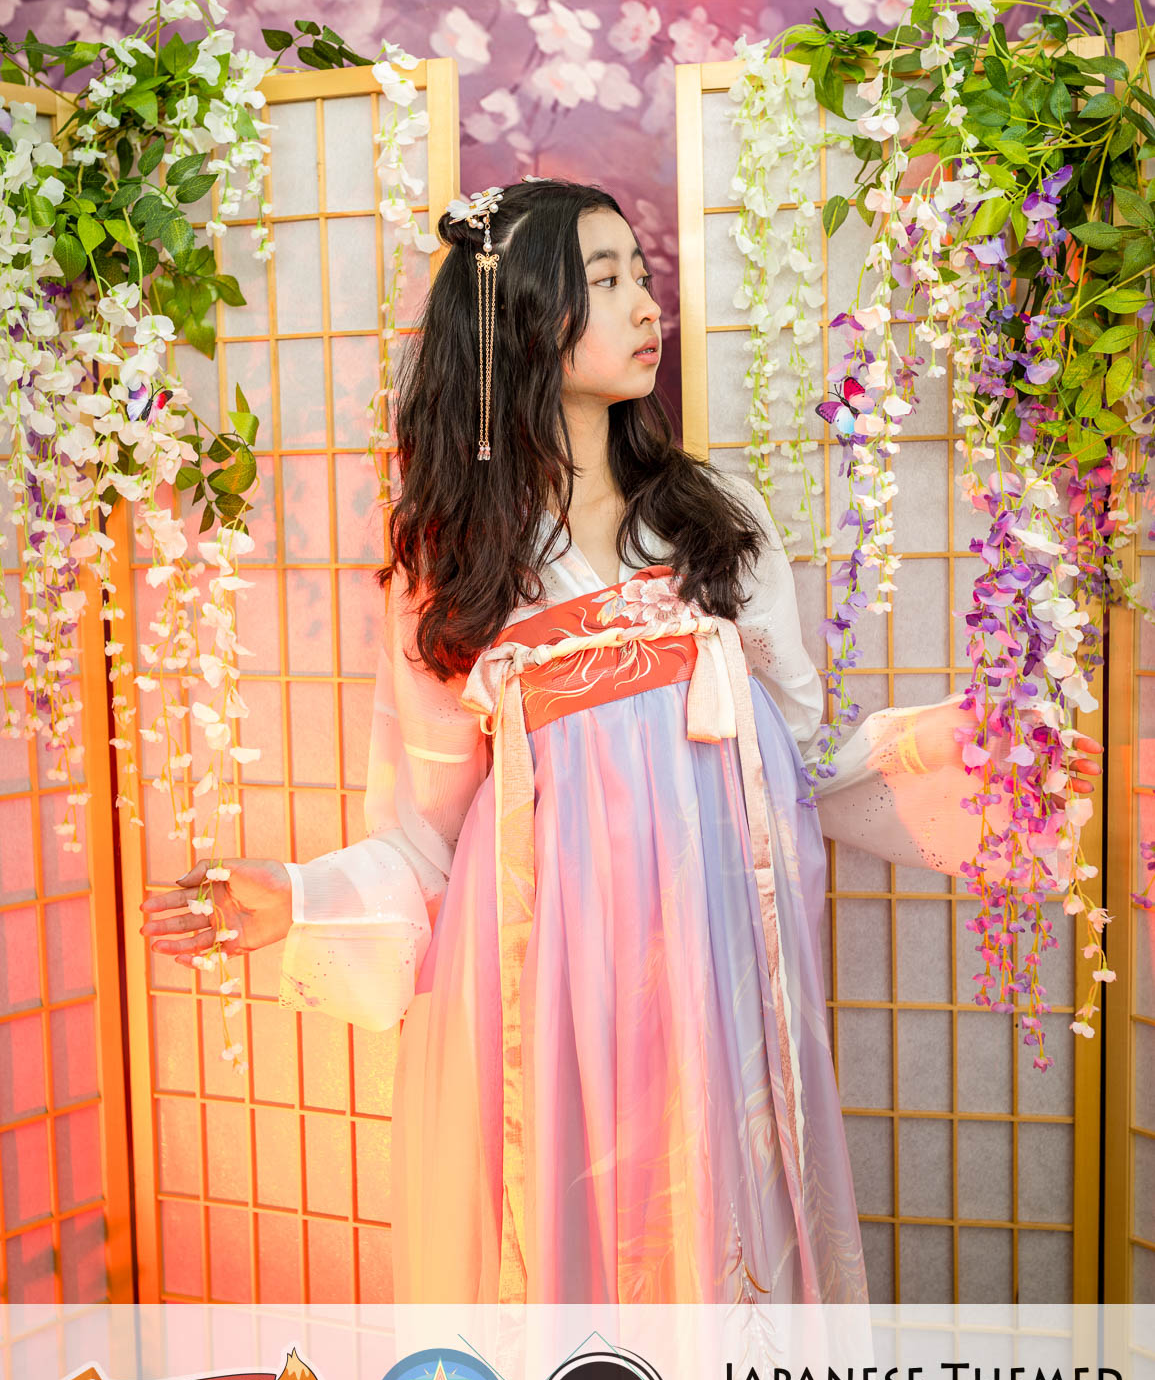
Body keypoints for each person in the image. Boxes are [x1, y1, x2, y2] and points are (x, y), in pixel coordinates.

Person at [141, 179, 1102, 1307]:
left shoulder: (711, 519)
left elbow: (791, 757)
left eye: (641, 276)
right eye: (606, 281)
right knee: (573, 1246)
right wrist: (300, 899)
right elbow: (426, 837)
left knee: (714, 1238)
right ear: (522, 317)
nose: (648, 306)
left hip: (712, 957)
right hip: (547, 981)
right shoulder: (456, 561)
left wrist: (975, 756)